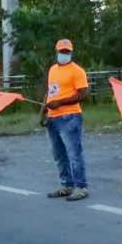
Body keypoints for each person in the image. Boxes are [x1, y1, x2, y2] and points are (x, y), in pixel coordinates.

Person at [42, 39, 90, 202]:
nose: (64, 54)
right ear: (56, 51)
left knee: (74, 153)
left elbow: (83, 94)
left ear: (71, 52)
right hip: (53, 117)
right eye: (61, 51)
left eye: (66, 52)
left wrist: (60, 102)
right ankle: (66, 185)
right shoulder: (52, 70)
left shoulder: (77, 71)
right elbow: (50, 92)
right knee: (59, 154)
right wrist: (44, 111)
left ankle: (81, 187)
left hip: (70, 117)